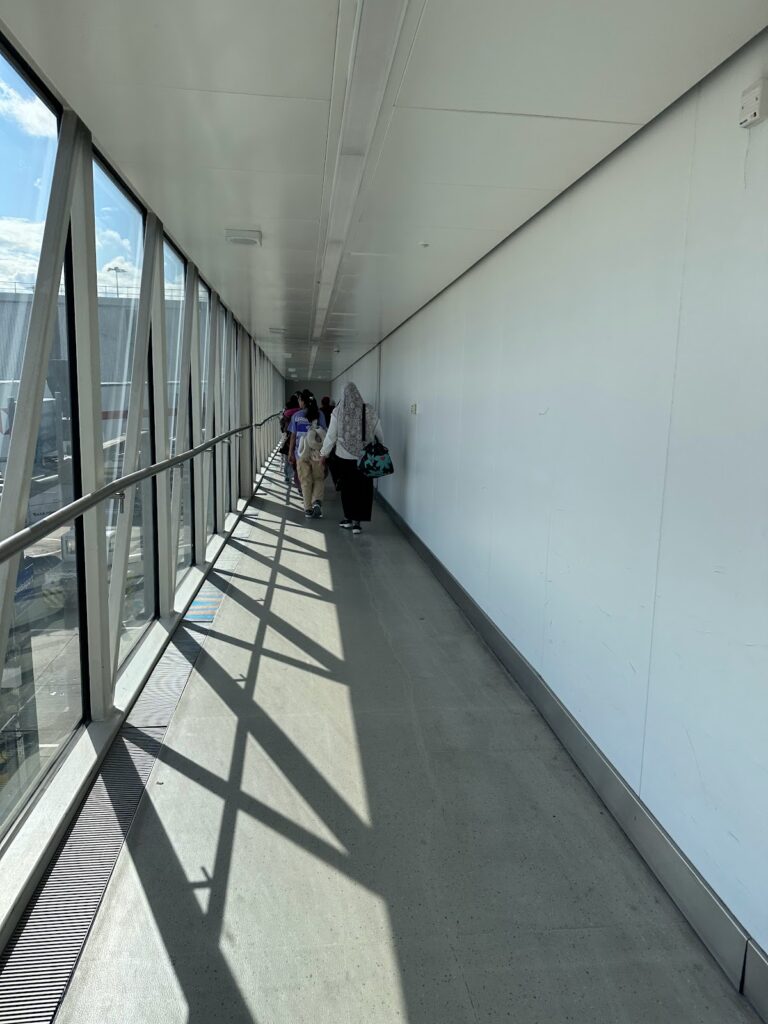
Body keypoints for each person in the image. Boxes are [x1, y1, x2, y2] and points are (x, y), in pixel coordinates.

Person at [320, 382, 383, 535]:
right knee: (363, 489)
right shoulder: (368, 410)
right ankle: (357, 523)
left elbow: (331, 436)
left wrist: (324, 453)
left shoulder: (338, 411)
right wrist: (381, 446)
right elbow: (378, 431)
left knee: (347, 489)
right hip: (365, 457)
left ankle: (348, 518)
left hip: (343, 457)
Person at [288, 391, 327, 518]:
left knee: (305, 480)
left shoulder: (296, 416)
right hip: (317, 452)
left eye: (300, 400)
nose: (299, 402)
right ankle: (316, 502)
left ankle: (308, 509)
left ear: (303, 401)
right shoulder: (319, 414)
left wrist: (290, 453)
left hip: (301, 453)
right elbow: (324, 434)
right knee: (318, 478)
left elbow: (293, 436)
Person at [280, 392, 300, 485]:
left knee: (288, 457)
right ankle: (297, 478)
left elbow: (282, 426)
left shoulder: (286, 412)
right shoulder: (299, 412)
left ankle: (287, 477)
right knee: (297, 457)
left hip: (288, 436)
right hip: (298, 437)